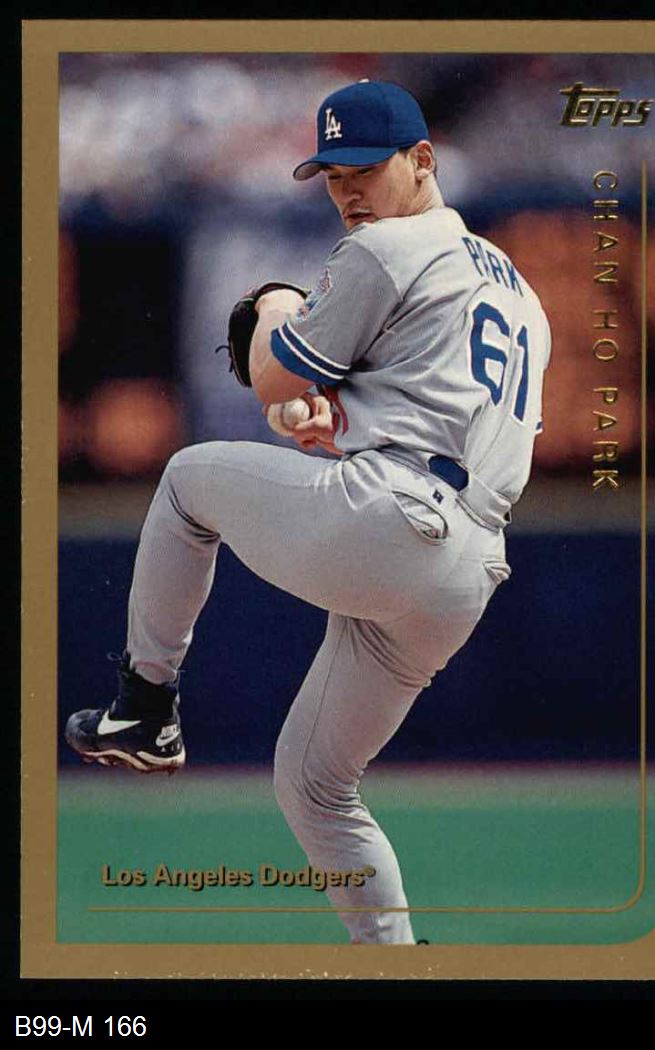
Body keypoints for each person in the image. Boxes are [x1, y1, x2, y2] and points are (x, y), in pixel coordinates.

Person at [66, 79, 551, 945]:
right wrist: (340, 422)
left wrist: (276, 303)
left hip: (394, 520)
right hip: (464, 571)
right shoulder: (520, 293)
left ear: (422, 160)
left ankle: (145, 704)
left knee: (187, 480)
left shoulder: (386, 248)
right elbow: (428, 411)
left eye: (366, 169)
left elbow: (273, 374)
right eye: (333, 176)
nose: (349, 191)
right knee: (315, 786)